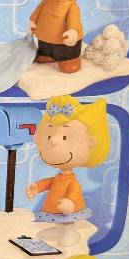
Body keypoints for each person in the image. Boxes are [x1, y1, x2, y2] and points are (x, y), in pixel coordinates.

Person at [26, 94, 111, 247]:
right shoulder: (58, 177)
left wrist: (70, 201)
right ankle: (59, 230)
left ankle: (70, 232)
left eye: (64, 137)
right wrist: (37, 187)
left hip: (69, 207)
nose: (53, 141)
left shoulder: (72, 181)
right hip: (55, 207)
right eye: (49, 136)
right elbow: (50, 182)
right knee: (60, 219)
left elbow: (75, 190)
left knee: (68, 221)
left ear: (90, 142)